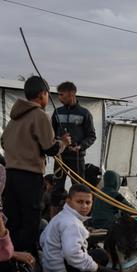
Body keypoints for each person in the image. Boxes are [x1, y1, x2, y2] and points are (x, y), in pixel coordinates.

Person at [1, 76, 71, 255]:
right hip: (29, 177)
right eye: (48, 94)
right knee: (30, 222)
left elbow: (3, 142)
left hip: (10, 176)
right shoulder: (40, 115)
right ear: (42, 94)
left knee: (13, 221)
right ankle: (28, 260)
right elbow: (50, 148)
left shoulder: (14, 118)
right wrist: (63, 143)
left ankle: (12, 257)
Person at [51, 81, 97, 209]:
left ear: (71, 94)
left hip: (77, 157)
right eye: (58, 95)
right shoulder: (57, 112)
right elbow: (51, 134)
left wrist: (80, 146)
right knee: (56, 190)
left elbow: (91, 136)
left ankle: (78, 217)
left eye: (61, 95)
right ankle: (54, 218)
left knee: (79, 190)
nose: (59, 98)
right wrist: (56, 144)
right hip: (60, 157)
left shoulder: (84, 113)